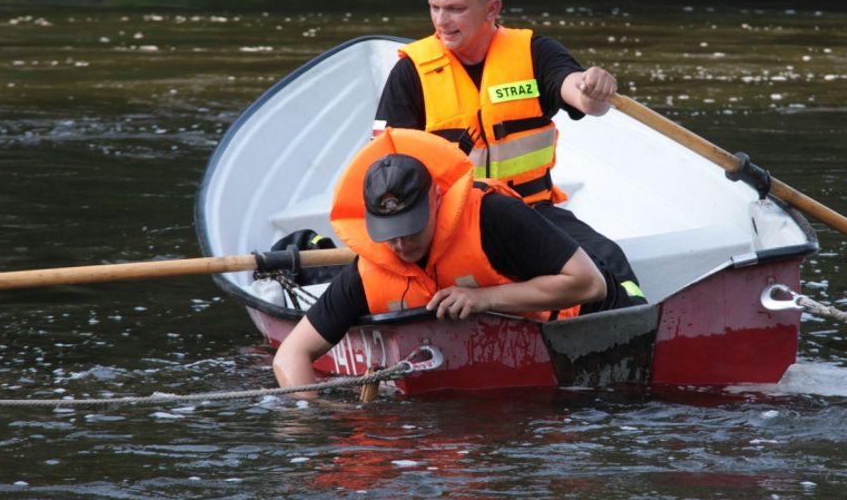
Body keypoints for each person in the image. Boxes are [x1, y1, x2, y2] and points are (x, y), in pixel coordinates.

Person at [271, 128, 637, 392]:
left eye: (411, 228)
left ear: (437, 198)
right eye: (389, 232)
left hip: (587, 332)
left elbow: (590, 284)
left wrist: (484, 299)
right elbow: (291, 354)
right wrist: (311, 416)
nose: (400, 243)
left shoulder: (493, 217)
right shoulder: (370, 266)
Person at [374, 0, 645, 303]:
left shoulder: (535, 52)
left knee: (609, 263)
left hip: (532, 211)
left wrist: (593, 88)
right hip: (451, 225)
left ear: (492, 10)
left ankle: (636, 326)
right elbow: (385, 168)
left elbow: (578, 93)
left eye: (456, 9)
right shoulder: (411, 73)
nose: (441, 20)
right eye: (435, 7)